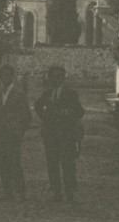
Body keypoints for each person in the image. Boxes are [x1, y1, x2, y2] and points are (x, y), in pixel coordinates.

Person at [34, 65, 85, 202]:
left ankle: (70, 192)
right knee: (52, 164)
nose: (55, 79)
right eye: (52, 77)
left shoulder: (70, 94)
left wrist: (66, 113)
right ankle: (56, 192)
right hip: (50, 135)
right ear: (49, 78)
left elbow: (80, 112)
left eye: (58, 76)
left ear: (63, 78)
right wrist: (44, 116)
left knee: (68, 164)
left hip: (66, 135)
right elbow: (37, 106)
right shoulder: (47, 94)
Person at [0, 63, 31, 200]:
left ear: (12, 76)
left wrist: (19, 132)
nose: (5, 78)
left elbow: (26, 117)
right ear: (0, 77)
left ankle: (20, 191)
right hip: (0, 134)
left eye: (7, 75)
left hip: (13, 135)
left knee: (14, 162)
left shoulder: (19, 95)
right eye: (2, 75)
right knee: (2, 162)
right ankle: (7, 192)